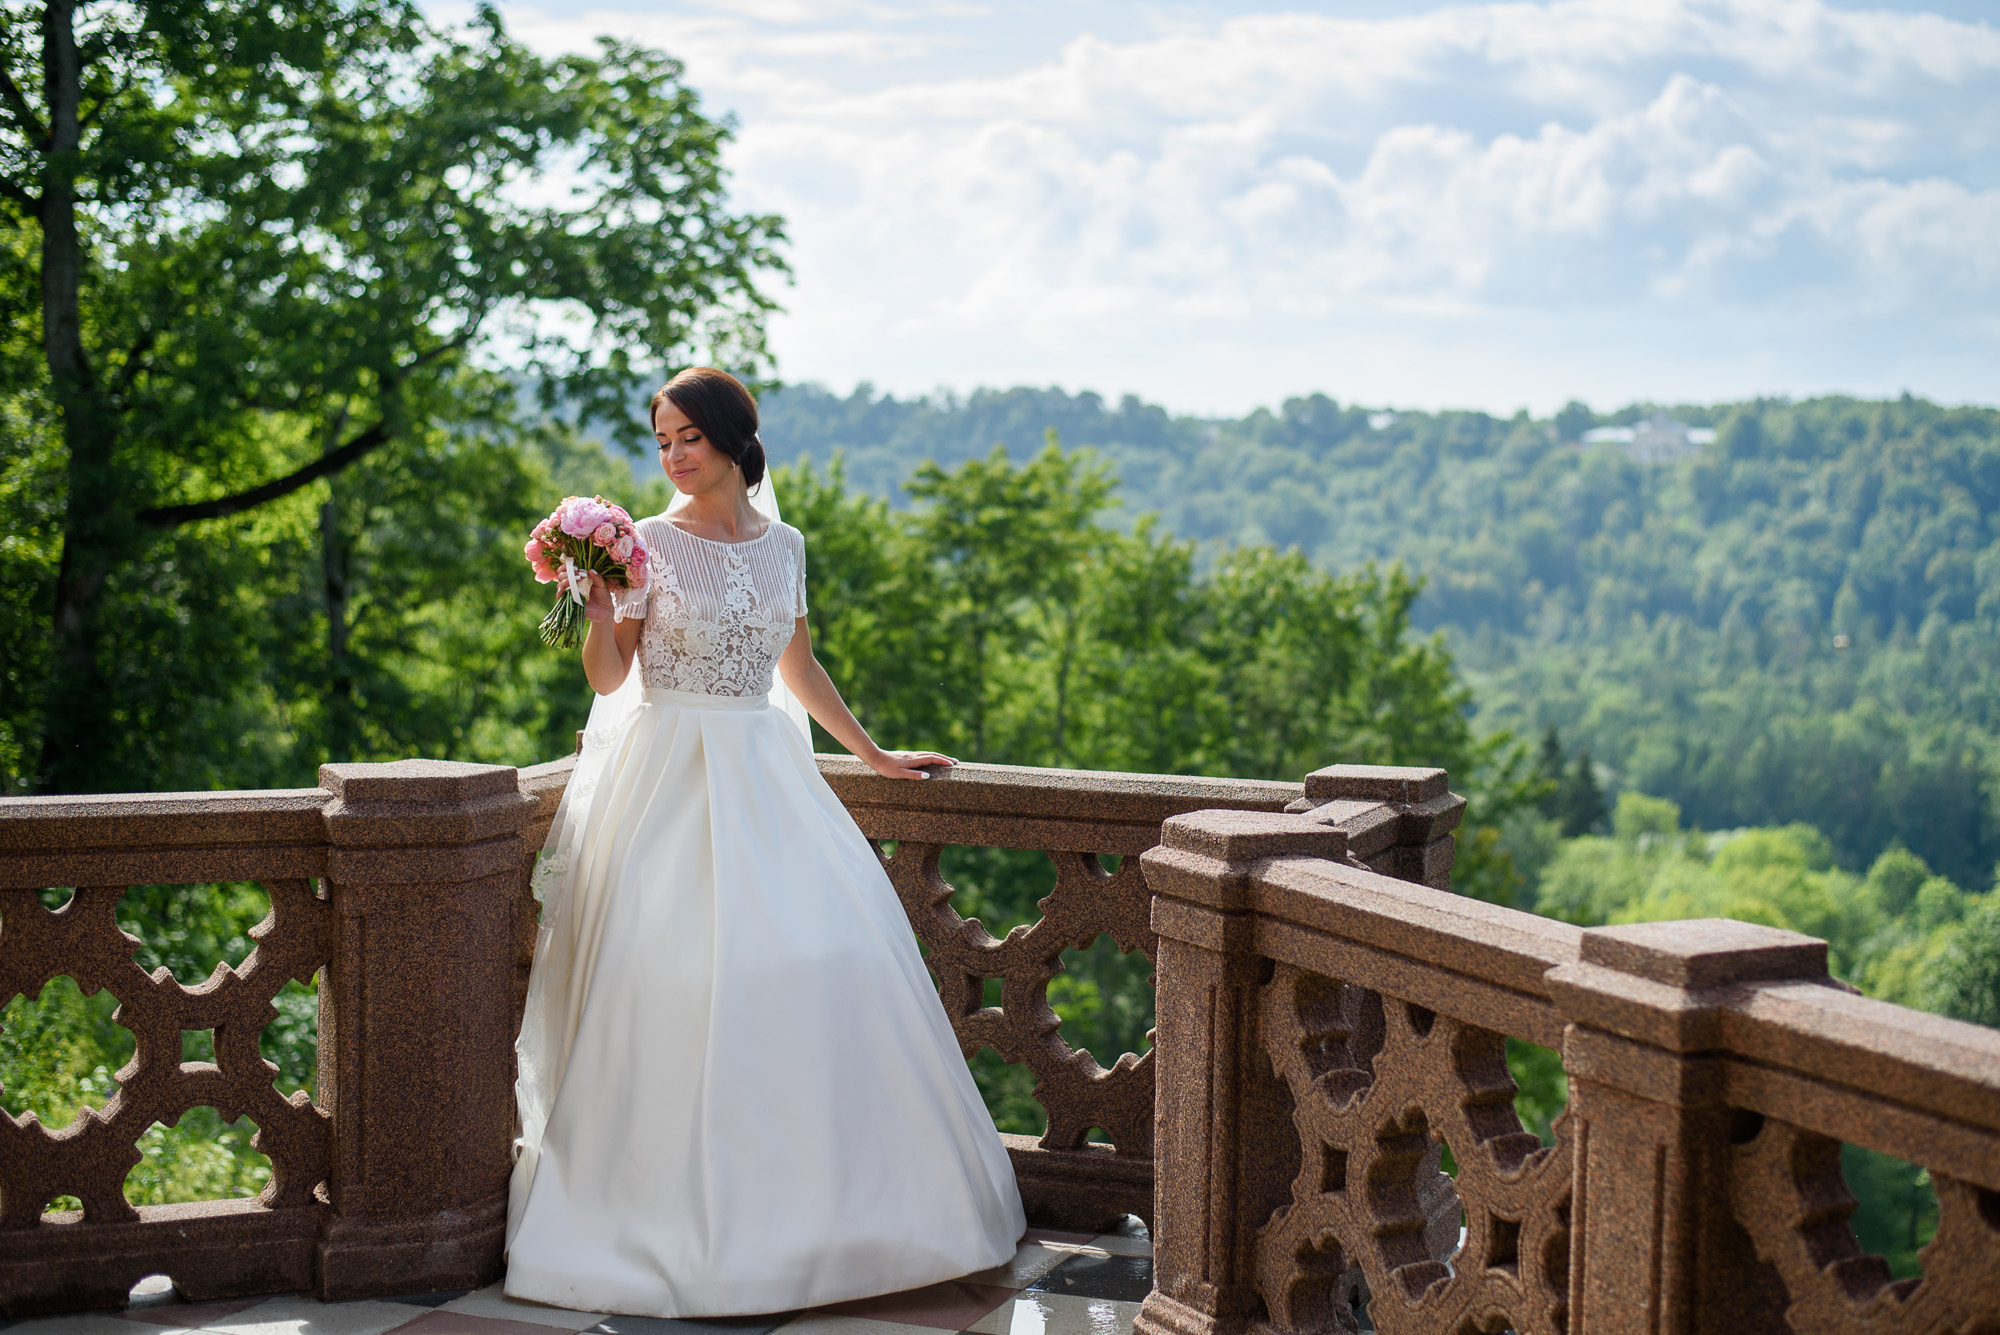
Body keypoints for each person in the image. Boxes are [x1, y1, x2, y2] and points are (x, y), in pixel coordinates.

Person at [504, 367, 1025, 1317]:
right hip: (666, 778)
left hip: (765, 769)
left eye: (687, 437)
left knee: (821, 968)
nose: (672, 455)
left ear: (733, 439)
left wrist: (871, 754)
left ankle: (831, 1220)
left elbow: (798, 661)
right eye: (661, 440)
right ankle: (666, 1220)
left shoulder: (782, 542)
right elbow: (611, 680)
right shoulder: (647, 545)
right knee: (674, 981)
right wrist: (596, 595)